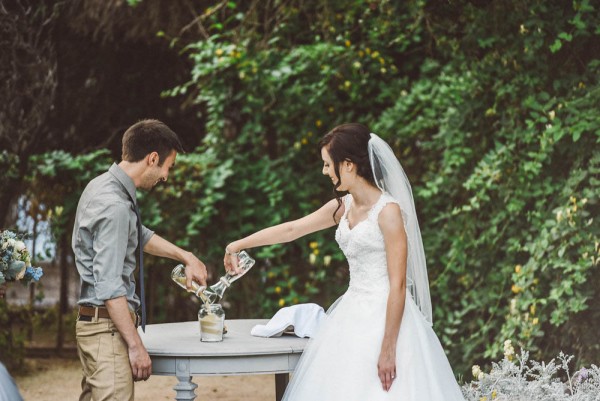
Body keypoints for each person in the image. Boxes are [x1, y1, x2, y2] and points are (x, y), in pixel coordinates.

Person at [224, 123, 465, 400]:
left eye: (328, 164)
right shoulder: (342, 207)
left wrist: (388, 348)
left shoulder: (388, 213)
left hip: (387, 318)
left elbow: (398, 284)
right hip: (350, 315)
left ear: (348, 165)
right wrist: (237, 245)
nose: (325, 171)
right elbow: (292, 230)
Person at [72, 119, 208, 401]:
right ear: (153, 158)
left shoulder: (102, 187)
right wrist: (135, 346)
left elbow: (137, 234)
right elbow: (110, 285)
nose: (166, 177)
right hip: (107, 331)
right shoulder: (115, 207)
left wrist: (185, 255)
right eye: (168, 167)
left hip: (97, 327)